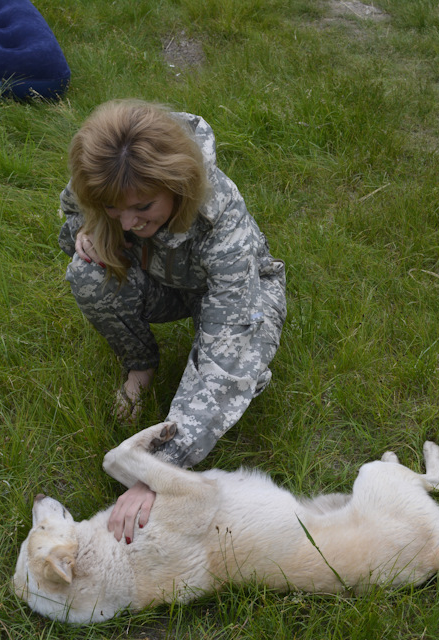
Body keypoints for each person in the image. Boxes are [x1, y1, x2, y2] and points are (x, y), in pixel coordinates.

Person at [57, 100, 286, 545]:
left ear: (176, 185)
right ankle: (140, 364)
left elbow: (227, 351)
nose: (126, 222)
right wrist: (84, 232)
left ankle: (244, 382)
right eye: (111, 208)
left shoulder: (222, 223)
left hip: (244, 295)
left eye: (142, 206)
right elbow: (70, 216)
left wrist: (158, 470)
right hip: (164, 278)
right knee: (86, 273)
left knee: (242, 370)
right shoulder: (105, 172)